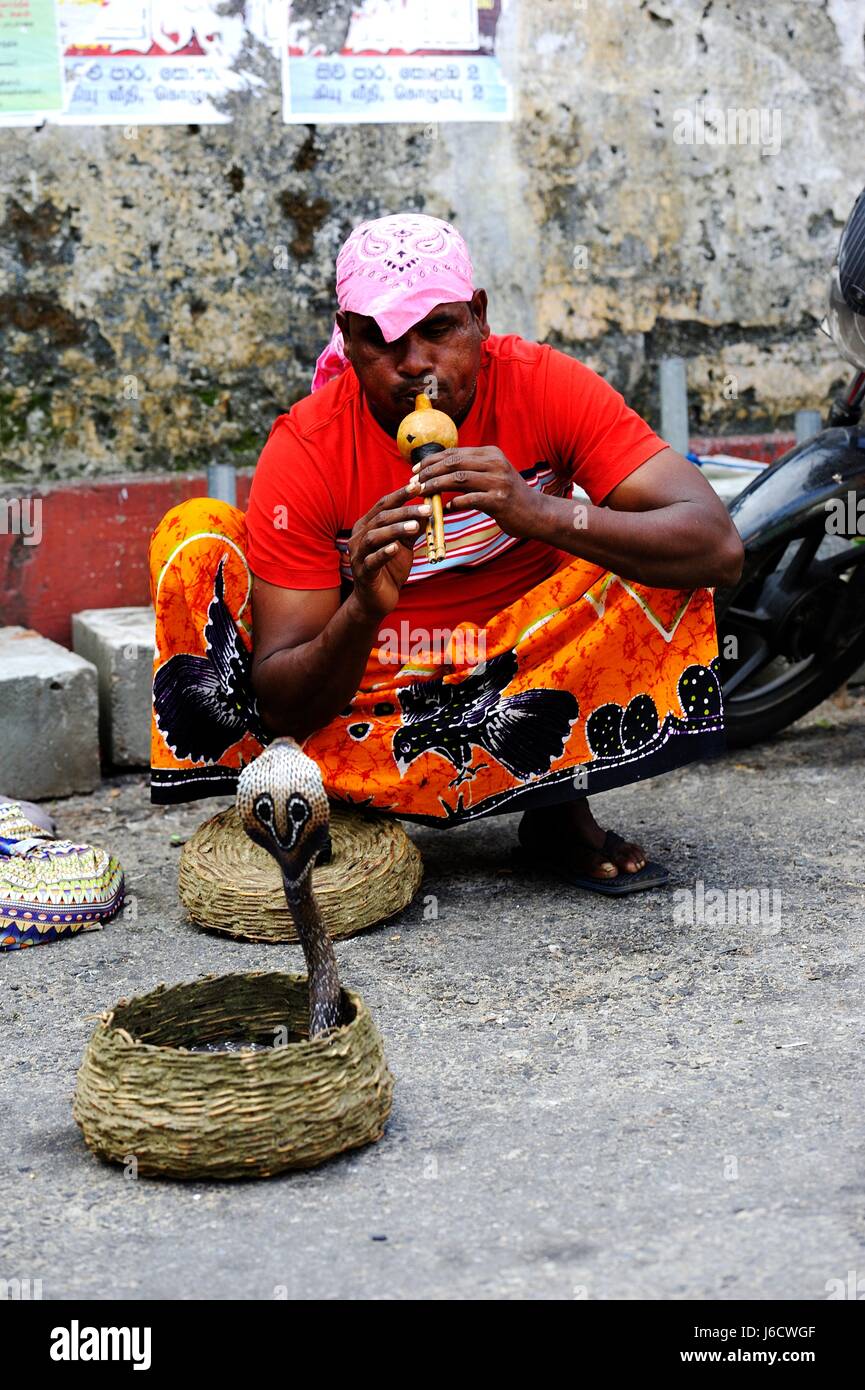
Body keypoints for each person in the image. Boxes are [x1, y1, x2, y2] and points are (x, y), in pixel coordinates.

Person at [149, 212, 742, 894]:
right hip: (372, 702)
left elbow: (715, 545)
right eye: (382, 341)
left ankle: (555, 803)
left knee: (651, 554)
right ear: (347, 338)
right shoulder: (307, 447)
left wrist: (542, 512)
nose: (415, 365)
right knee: (193, 534)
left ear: (478, 318)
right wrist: (363, 608)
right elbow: (282, 700)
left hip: (525, 678)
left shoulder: (542, 384)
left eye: (438, 329)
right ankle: (307, 800)